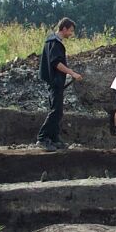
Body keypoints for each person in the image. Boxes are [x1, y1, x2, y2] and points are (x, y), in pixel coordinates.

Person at [36, 17, 83, 152]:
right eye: (71, 31)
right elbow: (56, 63)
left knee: (58, 110)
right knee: (56, 110)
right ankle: (43, 138)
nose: (71, 34)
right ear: (64, 29)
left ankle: (54, 138)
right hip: (55, 81)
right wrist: (72, 73)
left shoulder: (52, 41)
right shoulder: (55, 43)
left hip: (55, 81)